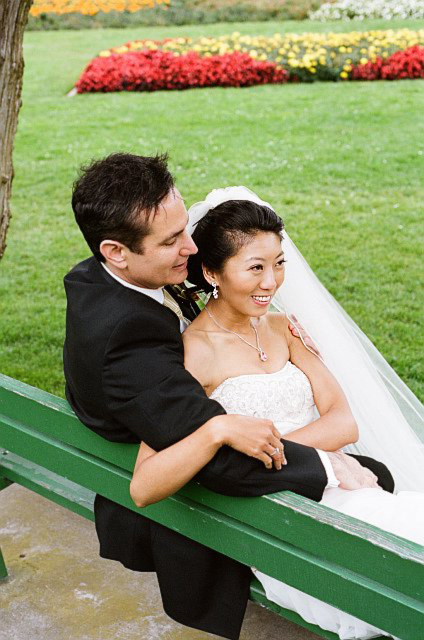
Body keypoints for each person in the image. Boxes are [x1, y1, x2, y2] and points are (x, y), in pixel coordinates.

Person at [64, 154, 394, 640]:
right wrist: (330, 464)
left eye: (184, 228)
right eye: (172, 239)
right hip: (213, 508)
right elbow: (215, 463)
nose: (191, 247)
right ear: (115, 250)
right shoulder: (137, 345)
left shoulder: (94, 279)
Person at [129, 187, 424, 639]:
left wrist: (295, 453)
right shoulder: (194, 356)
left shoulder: (285, 329)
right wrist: (315, 456)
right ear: (211, 272)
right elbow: (146, 481)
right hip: (283, 523)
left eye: (279, 263)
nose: (272, 282)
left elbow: (345, 422)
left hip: (343, 487)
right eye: (256, 268)